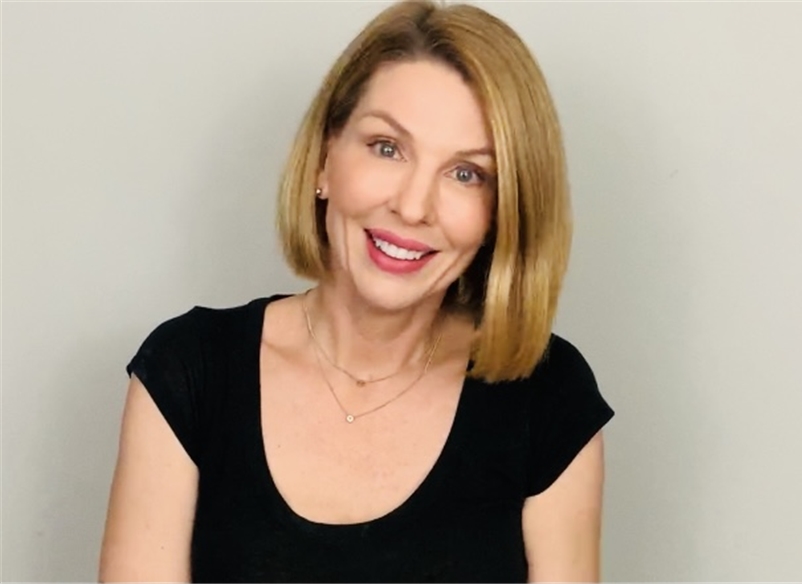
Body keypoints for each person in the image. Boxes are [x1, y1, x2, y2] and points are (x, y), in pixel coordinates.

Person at [98, 0, 615, 582]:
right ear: (325, 159)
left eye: (466, 173)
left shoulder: (548, 399)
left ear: (502, 213)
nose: (413, 207)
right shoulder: (189, 372)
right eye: (387, 147)